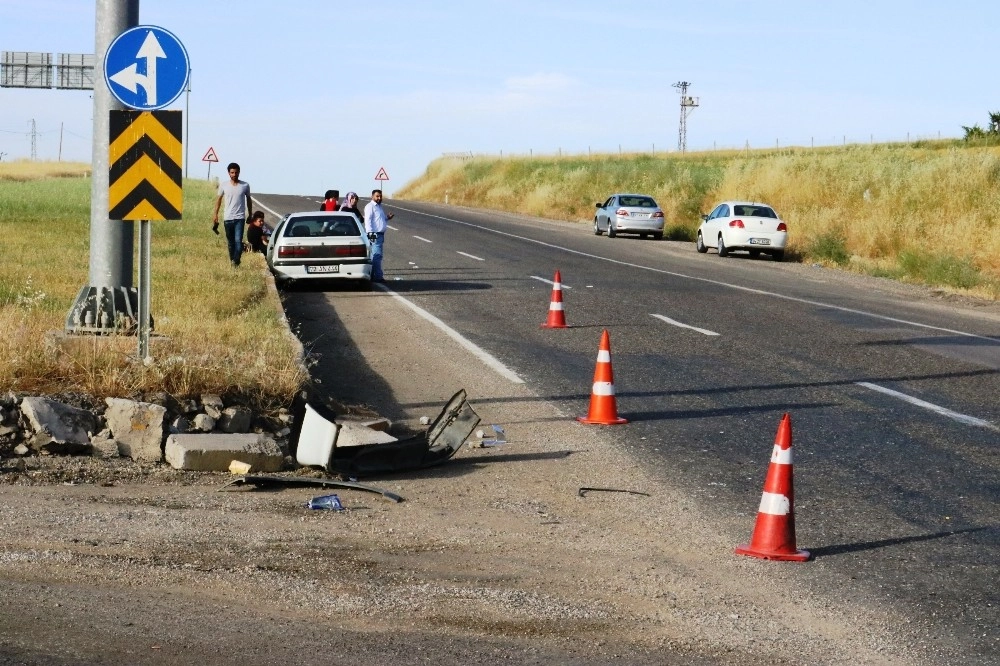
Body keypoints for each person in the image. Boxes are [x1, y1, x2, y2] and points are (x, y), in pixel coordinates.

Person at [212, 162, 252, 267]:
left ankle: (236, 260)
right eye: (232, 172)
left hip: (240, 218)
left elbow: (249, 200)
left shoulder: (245, 185)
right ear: (229, 173)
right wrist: (215, 214)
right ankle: (233, 262)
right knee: (231, 243)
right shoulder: (224, 185)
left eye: (236, 172)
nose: (234, 174)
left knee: (238, 241)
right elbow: (218, 200)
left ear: (239, 172)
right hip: (228, 218)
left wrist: (250, 214)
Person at [362, 189, 394, 282]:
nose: (379, 198)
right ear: (372, 196)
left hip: (380, 234)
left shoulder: (379, 207)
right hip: (374, 234)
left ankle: (373, 275)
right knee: (377, 255)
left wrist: (387, 218)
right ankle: (378, 277)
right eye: (377, 196)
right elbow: (367, 221)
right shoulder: (370, 206)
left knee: (375, 255)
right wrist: (371, 235)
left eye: (380, 196)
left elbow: (380, 219)